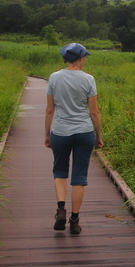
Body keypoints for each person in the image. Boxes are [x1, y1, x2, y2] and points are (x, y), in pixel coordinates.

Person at [45, 42, 103, 235]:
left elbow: (50, 110)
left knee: (60, 171)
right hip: (84, 132)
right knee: (79, 177)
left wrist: (47, 134)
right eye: (85, 56)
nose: (86, 59)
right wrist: (98, 136)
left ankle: (61, 209)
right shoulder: (89, 79)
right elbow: (94, 112)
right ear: (79, 58)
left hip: (61, 132)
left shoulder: (54, 77)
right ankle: (75, 220)